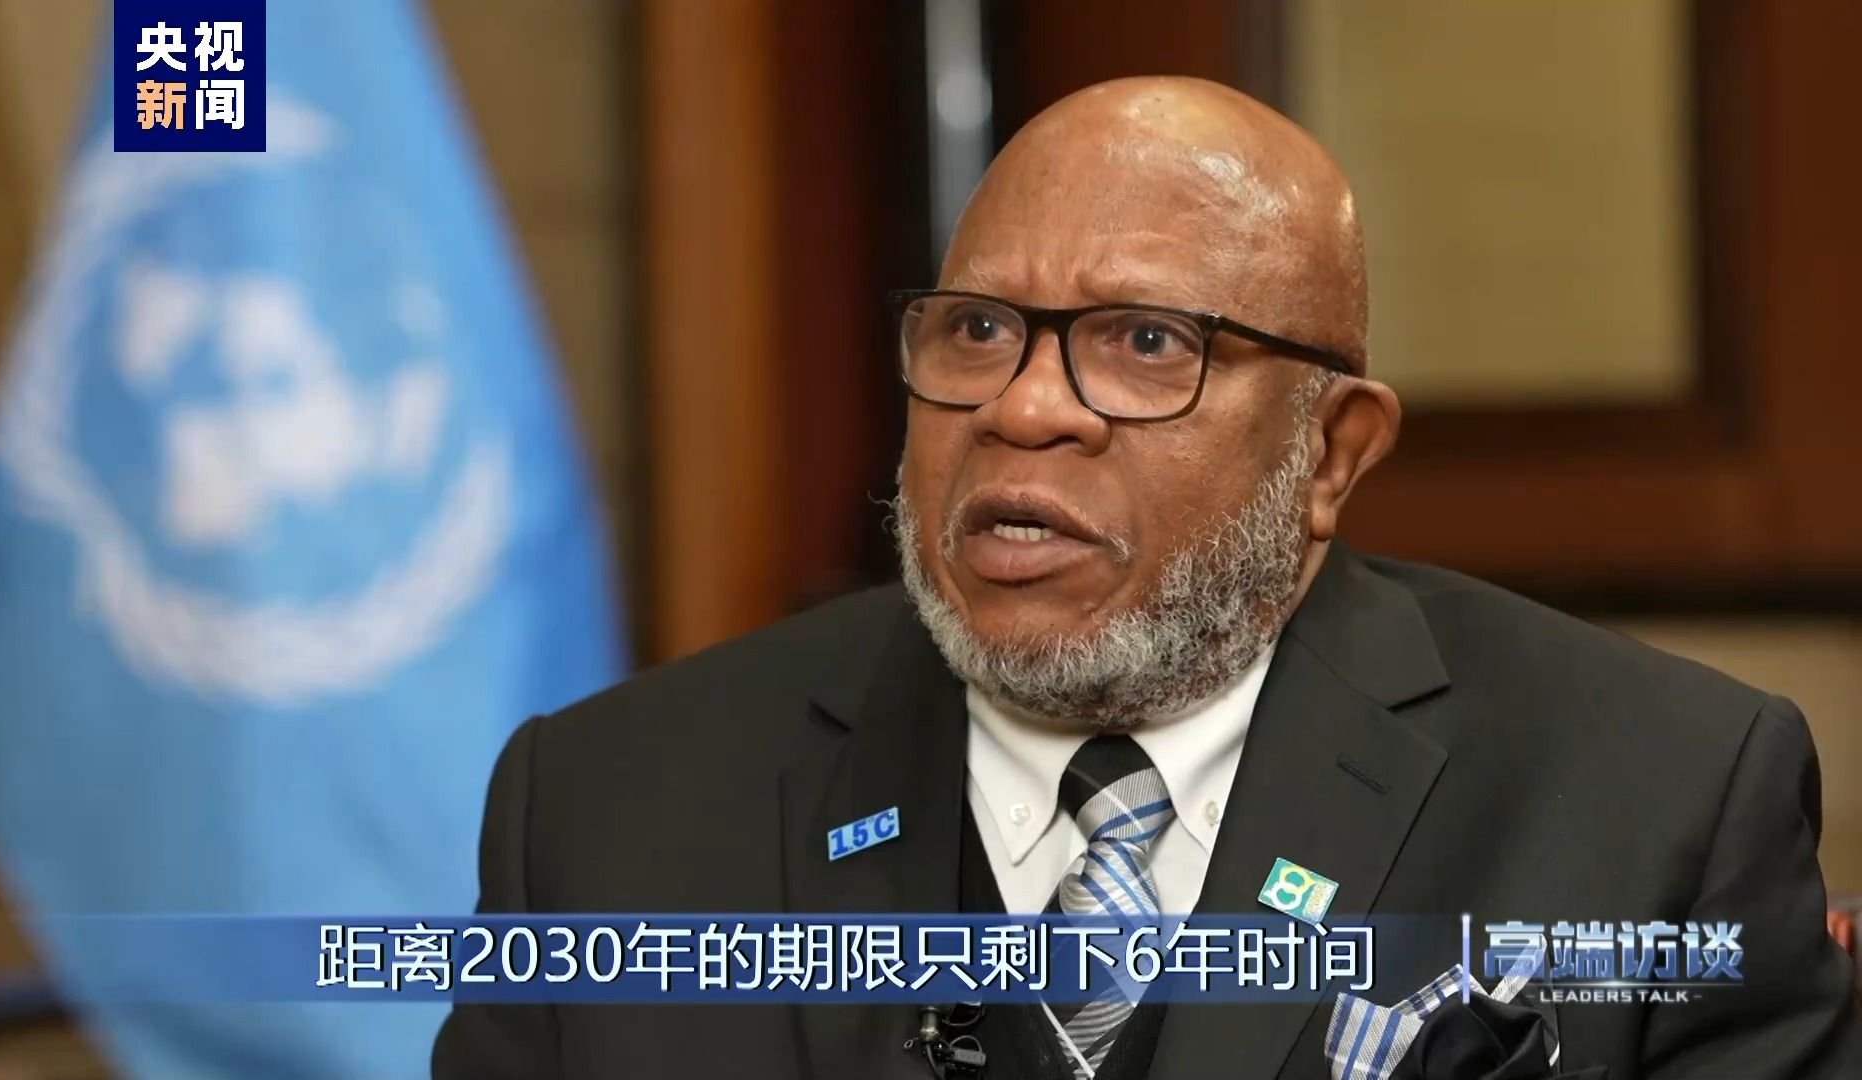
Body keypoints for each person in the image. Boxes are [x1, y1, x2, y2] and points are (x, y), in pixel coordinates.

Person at [433, 76, 1860, 1079]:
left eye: (1146, 343)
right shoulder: (608, 816)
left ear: (1330, 452)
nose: (1024, 407)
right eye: (976, 330)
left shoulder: (1657, 800)